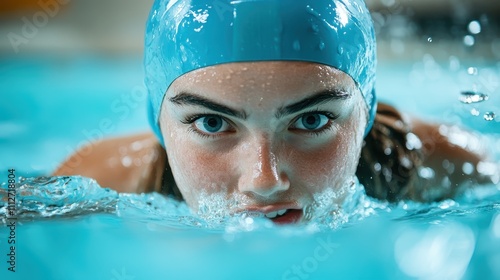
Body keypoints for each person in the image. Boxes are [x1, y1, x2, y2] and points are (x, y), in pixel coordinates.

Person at [53, 0, 496, 224]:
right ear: (158, 122)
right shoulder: (97, 186)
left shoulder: (439, 163)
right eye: (213, 123)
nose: (265, 180)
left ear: (365, 114)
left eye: (311, 120)